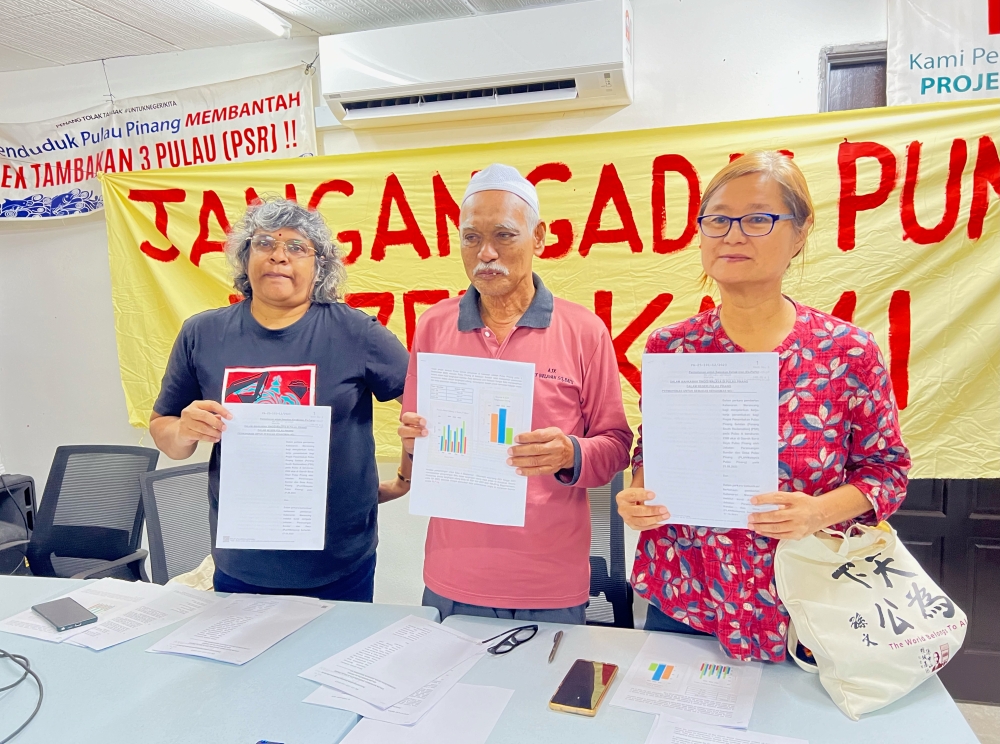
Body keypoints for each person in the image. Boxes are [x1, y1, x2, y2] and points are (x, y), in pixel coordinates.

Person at [616, 151, 910, 662]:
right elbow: (654, 449)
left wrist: (818, 512)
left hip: (806, 604)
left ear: (799, 234)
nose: (732, 235)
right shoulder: (673, 348)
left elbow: (887, 472)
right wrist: (639, 492)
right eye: (717, 220)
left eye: (757, 219)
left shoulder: (846, 351)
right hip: (688, 595)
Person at [397, 163, 633, 624]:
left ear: (538, 237)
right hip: (452, 576)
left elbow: (616, 446)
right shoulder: (434, 325)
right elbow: (416, 441)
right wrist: (413, 444)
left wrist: (569, 452)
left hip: (550, 582)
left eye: (504, 235)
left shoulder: (584, 331)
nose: (486, 253)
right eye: (470, 238)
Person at [149, 197, 410, 602]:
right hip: (242, 563)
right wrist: (184, 429)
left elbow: (425, 407)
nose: (278, 256)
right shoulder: (202, 334)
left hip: (339, 564)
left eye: (296, 247)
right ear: (245, 257)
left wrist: (404, 480)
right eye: (264, 243)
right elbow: (164, 431)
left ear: (319, 265)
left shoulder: (355, 332)